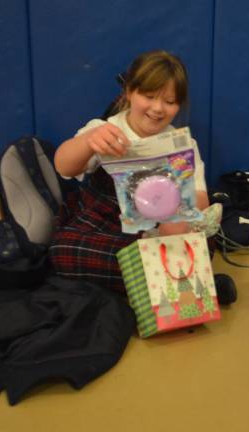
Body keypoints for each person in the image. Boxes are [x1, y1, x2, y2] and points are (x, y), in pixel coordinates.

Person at [50, 50, 236, 303]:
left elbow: (200, 197)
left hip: (158, 229)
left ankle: (153, 285)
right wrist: (88, 143)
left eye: (169, 102)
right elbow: (63, 167)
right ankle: (183, 286)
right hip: (106, 222)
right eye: (149, 96)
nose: (158, 109)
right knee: (63, 251)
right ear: (129, 92)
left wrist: (178, 212)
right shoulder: (105, 129)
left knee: (199, 244)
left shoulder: (182, 145)